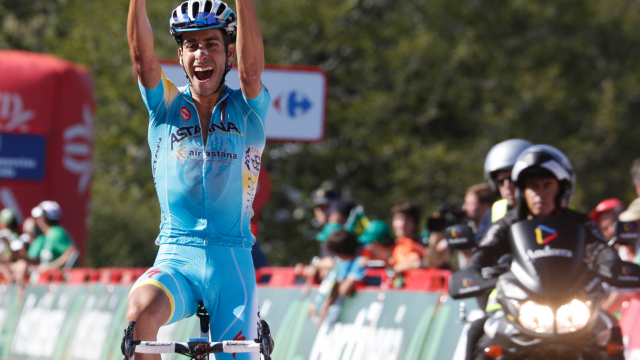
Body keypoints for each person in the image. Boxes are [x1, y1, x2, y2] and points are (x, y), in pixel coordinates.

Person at [125, 0, 272, 357]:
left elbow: (251, 74)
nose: (201, 53)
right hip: (176, 255)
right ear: (180, 55)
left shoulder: (248, 109)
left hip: (232, 261)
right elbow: (143, 62)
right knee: (141, 313)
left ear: (229, 54)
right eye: (191, 45)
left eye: (211, 44)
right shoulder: (166, 106)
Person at [465, 145, 620, 360]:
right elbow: (486, 249)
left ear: (562, 189)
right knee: (479, 331)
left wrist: (615, 265)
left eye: (547, 185)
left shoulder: (579, 222)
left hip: (573, 303)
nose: (540, 193)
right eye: (532, 186)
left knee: (610, 328)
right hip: (521, 304)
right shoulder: (508, 222)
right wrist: (471, 271)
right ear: (522, 191)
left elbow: (601, 248)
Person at [475, 139, 532, 242]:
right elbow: (481, 248)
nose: (508, 186)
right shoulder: (493, 212)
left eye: (513, 179)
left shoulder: (550, 208)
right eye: (500, 181)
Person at [311, 229, 367, 324]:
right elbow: (338, 283)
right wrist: (324, 307)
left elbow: (343, 289)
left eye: (336, 253)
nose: (336, 256)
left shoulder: (364, 255)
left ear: (341, 252)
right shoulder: (346, 260)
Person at [390, 201, 425, 272]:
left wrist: (397, 268)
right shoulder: (397, 243)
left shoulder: (412, 244)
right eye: (397, 219)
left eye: (407, 220)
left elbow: (416, 263)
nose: (401, 224)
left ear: (415, 223)